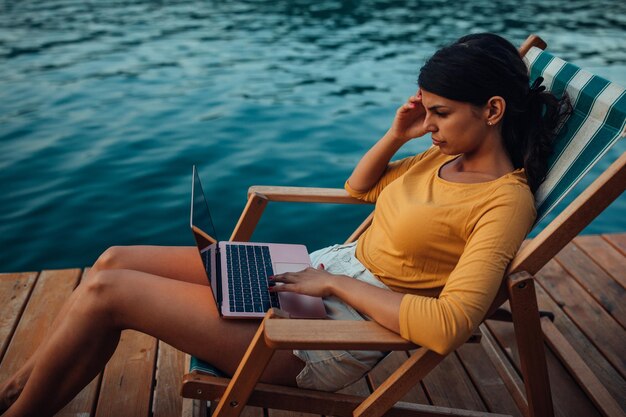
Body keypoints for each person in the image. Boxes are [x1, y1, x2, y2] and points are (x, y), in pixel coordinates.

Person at [0, 33, 569, 416]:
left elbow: (446, 326)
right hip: (309, 279)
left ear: (492, 111)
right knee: (114, 260)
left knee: (106, 292)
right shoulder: (442, 156)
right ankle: (20, 387)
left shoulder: (503, 202)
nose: (433, 123)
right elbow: (359, 188)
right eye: (429, 109)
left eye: (440, 113)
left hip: (321, 338)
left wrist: (333, 285)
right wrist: (401, 134)